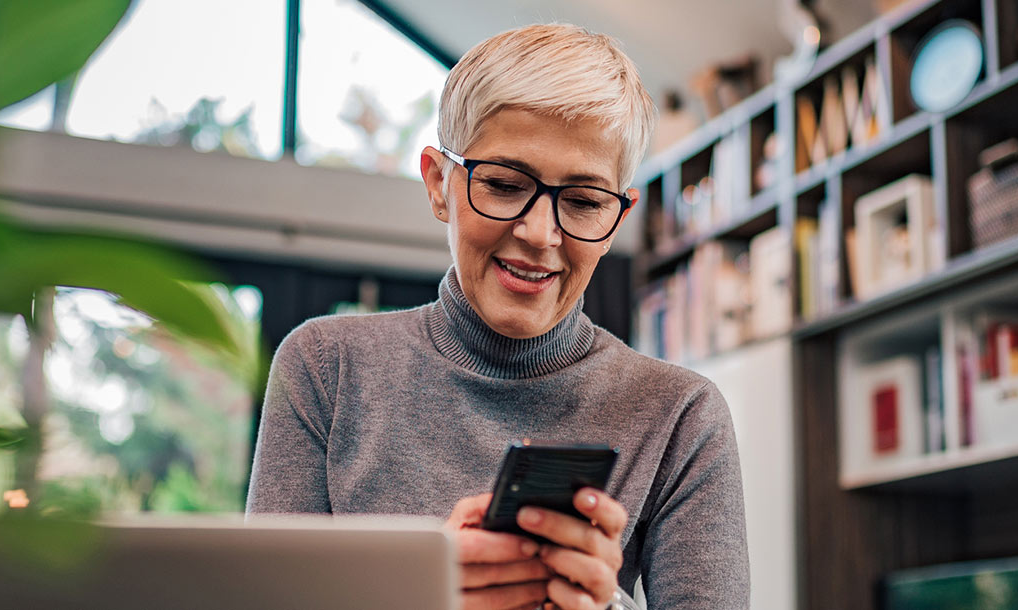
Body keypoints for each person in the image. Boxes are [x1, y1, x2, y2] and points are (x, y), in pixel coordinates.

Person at [246, 23, 750, 610]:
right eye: (506, 185)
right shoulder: (325, 369)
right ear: (439, 183)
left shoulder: (680, 417)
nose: (540, 235)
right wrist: (420, 590)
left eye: (584, 202)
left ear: (618, 217)